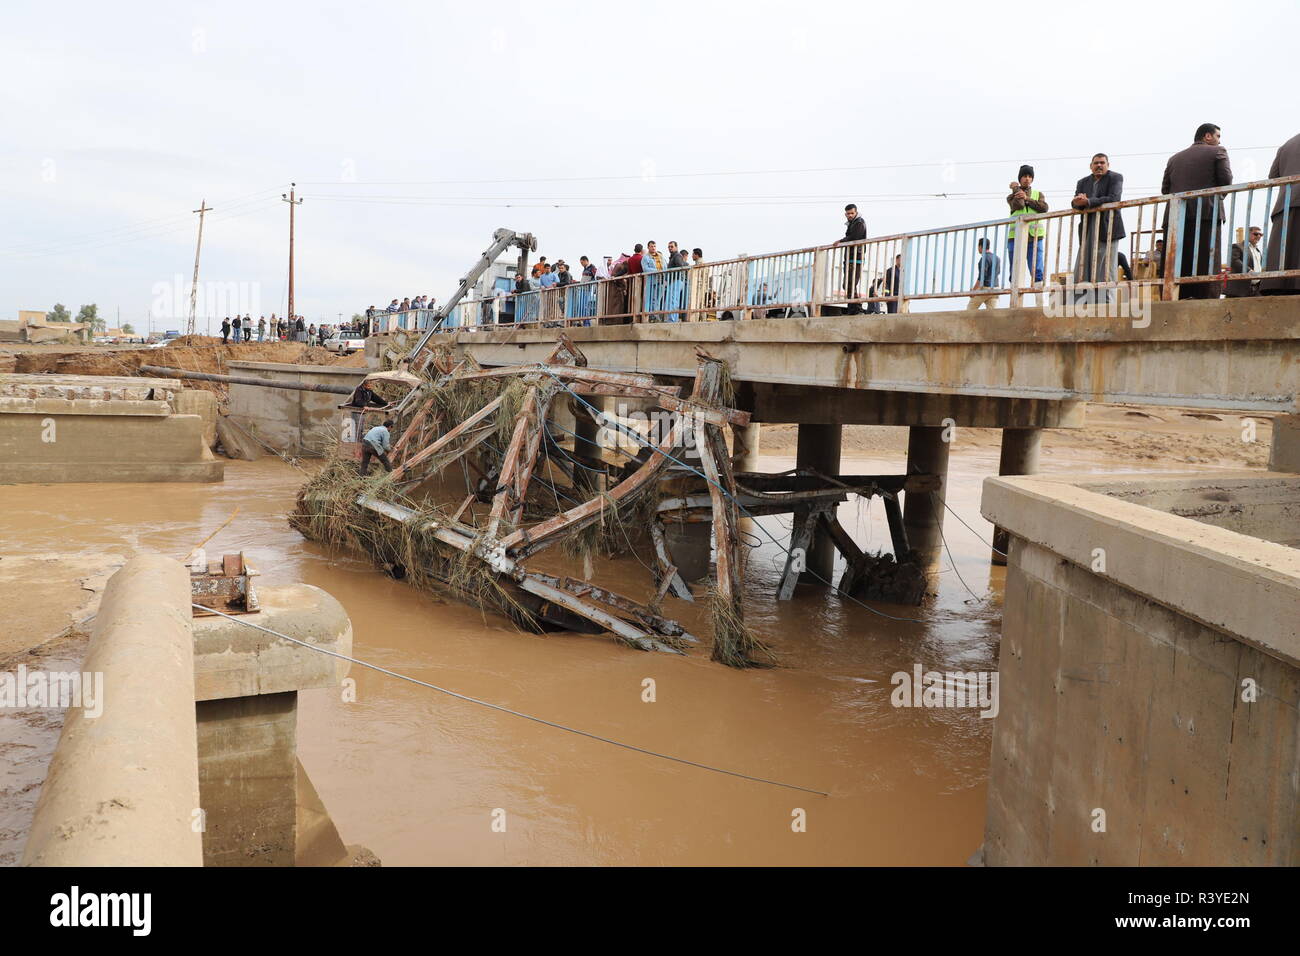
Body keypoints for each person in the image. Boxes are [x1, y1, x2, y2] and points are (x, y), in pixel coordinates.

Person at [1161, 123, 1232, 299]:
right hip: (1206, 213)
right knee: (1205, 260)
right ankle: (1205, 297)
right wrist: (1218, 197)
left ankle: (1173, 296)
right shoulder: (1218, 151)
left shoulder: (1174, 158)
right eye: (1217, 136)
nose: (1219, 140)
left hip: (1176, 216)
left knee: (1177, 260)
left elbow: (1165, 189)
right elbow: (1226, 181)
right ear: (1207, 136)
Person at [1071, 153, 1126, 304]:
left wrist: (1088, 201)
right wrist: (1078, 202)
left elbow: (1114, 198)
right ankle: (1081, 301)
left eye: (1102, 163)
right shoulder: (1083, 182)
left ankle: (1106, 302)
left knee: (1106, 267)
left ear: (1108, 165)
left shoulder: (1115, 178)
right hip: (1087, 229)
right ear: (1091, 166)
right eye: (1096, 163)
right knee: (1083, 265)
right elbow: (1075, 203)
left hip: (1107, 228)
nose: (1099, 165)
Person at [1261, 132, 1300, 295]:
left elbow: (1273, 176)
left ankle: (1275, 284)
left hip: (1285, 202)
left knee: (1284, 250)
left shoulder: (1287, 144)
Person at [1007, 165, 1048, 286]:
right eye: (1024, 176)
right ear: (1020, 179)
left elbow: (1044, 208)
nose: (1027, 179)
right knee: (1015, 270)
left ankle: (1040, 301)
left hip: (1035, 237)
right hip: (1015, 238)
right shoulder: (1011, 196)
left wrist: (1027, 198)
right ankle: (1014, 301)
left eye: (1030, 176)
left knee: (1037, 270)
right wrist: (1016, 189)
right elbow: (1018, 205)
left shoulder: (1038, 194)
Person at [836, 203, 868, 314]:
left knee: (850, 283)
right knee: (848, 284)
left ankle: (856, 309)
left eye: (852, 213)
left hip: (856, 257)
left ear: (856, 212)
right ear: (845, 214)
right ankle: (854, 308)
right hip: (850, 257)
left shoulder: (859, 222)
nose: (850, 215)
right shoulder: (852, 223)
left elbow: (855, 237)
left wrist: (841, 241)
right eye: (848, 213)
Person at [1226, 226, 1265, 297]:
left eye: (1261, 235)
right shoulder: (1237, 246)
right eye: (1256, 234)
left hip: (1256, 289)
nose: (1258, 236)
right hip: (1240, 290)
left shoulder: (1258, 251)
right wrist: (1249, 271)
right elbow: (1234, 260)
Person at [967, 237, 1001, 310]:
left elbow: (981, 278)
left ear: (980, 246)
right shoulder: (997, 258)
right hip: (996, 288)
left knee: (970, 310)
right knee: (992, 314)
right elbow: (998, 273)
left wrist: (973, 290)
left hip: (985, 288)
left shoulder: (984, 259)